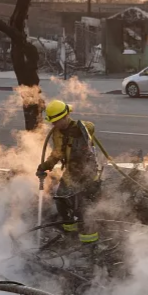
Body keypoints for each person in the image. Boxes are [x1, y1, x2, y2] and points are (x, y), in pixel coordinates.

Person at [35, 100, 101, 247]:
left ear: (65, 116)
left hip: (87, 173)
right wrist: (47, 165)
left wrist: (79, 129)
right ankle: (70, 232)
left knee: (83, 207)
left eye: (56, 121)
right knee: (61, 200)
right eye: (52, 122)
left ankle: (90, 242)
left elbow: (91, 127)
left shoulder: (81, 128)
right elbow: (58, 152)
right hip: (71, 172)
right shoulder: (57, 133)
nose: (54, 125)